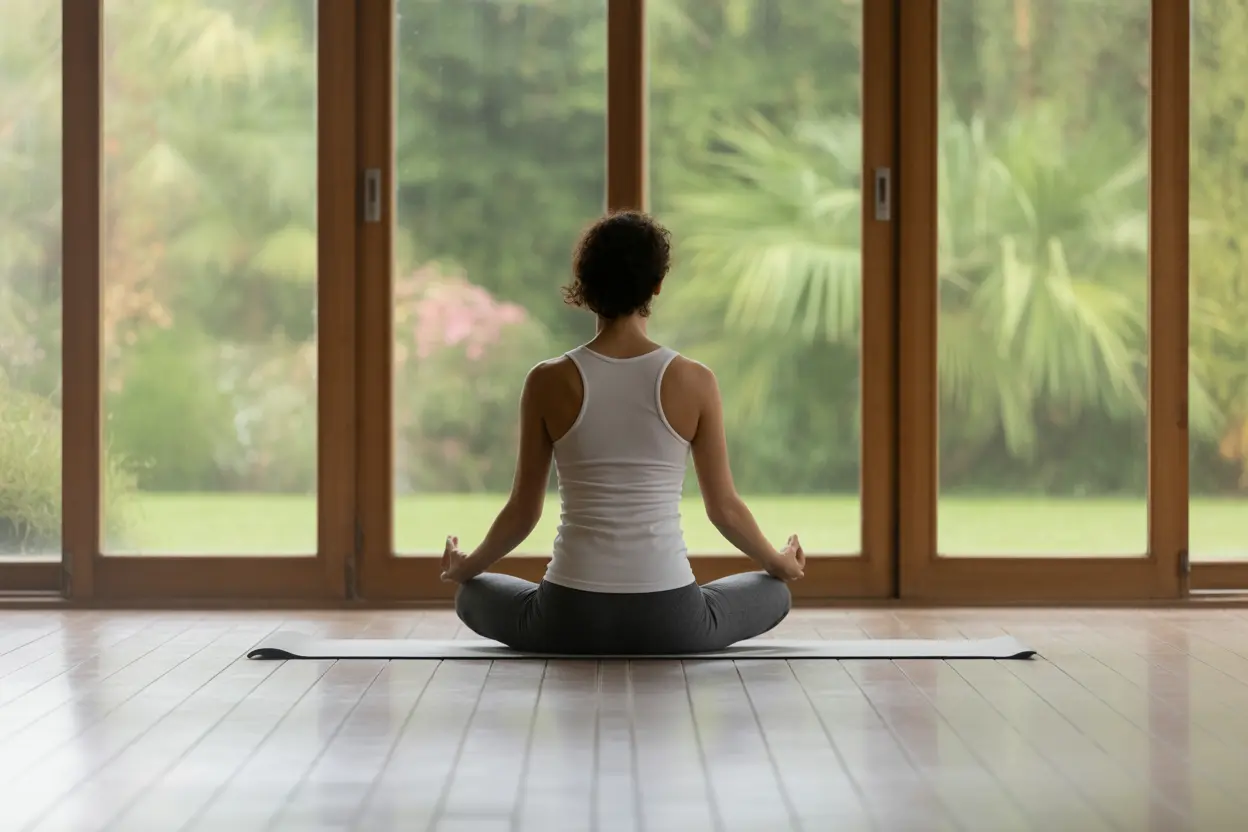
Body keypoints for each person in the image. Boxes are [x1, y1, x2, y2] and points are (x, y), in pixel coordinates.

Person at [441, 210, 805, 655]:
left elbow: (523, 511)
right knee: (775, 592)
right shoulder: (695, 380)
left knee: (472, 595)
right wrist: (777, 562)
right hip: (673, 622)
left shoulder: (547, 380)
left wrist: (468, 567)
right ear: (656, 285)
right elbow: (723, 508)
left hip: (567, 619)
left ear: (585, 284)